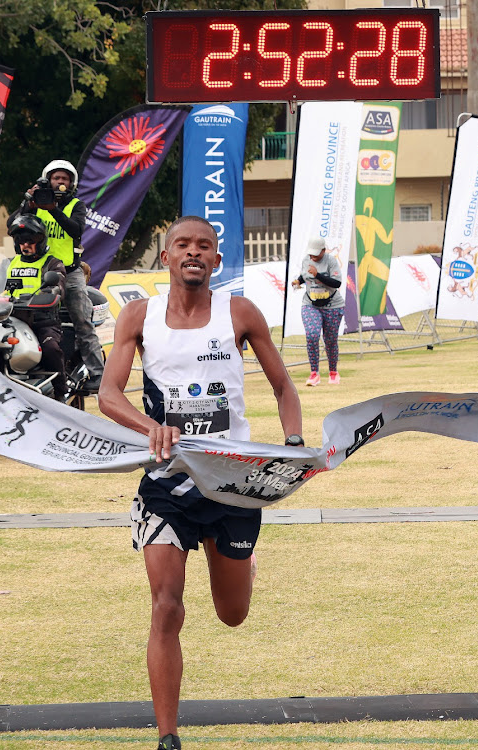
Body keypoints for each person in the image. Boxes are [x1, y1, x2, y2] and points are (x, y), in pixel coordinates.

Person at [98, 215, 303, 750]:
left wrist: (294, 441)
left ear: (216, 259)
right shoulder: (139, 317)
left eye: (205, 246)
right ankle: (168, 736)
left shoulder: (239, 313)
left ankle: (243, 561)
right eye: (183, 245)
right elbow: (109, 396)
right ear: (165, 257)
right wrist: (153, 428)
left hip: (233, 483)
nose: (194, 252)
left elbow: (283, 386)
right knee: (167, 604)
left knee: (232, 615)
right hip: (167, 484)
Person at [7, 159, 104, 392]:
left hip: (70, 273)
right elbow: (13, 224)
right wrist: (28, 201)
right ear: (47, 180)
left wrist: (53, 209)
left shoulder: (76, 205)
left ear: (72, 183)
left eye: (65, 178)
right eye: (56, 178)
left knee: (82, 322)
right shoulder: (36, 204)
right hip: (37, 271)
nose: (61, 182)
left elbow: (76, 230)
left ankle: (99, 375)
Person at [7, 215, 67, 401]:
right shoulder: (9, 263)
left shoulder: (52, 263)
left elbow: (59, 286)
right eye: (21, 241)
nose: (25, 245)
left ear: (40, 241)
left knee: (50, 348)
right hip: (11, 321)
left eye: (30, 241)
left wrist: (51, 291)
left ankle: (61, 391)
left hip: (43, 320)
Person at [291, 236, 344, 386]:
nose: (313, 256)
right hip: (310, 304)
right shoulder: (306, 260)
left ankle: (333, 372)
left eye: (316, 253)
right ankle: (314, 373)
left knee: (330, 340)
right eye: (311, 253)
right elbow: (304, 275)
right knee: (312, 334)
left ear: (323, 250)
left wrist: (318, 275)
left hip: (332, 306)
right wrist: (298, 281)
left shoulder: (331, 261)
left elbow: (337, 282)